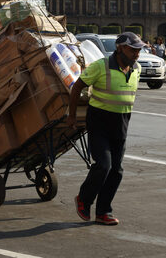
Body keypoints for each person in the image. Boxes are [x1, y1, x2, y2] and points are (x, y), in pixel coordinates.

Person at [67, 31, 144, 226]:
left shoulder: (137, 69)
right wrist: (72, 116)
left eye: (139, 50)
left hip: (121, 125)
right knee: (103, 165)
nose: (137, 54)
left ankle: (103, 211)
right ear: (120, 49)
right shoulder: (101, 67)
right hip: (99, 123)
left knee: (117, 170)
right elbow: (77, 88)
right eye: (133, 50)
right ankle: (84, 199)